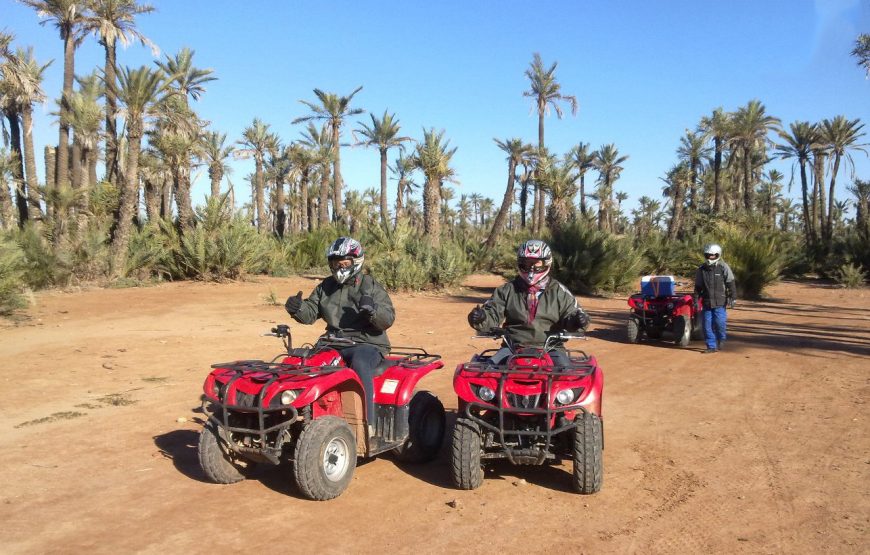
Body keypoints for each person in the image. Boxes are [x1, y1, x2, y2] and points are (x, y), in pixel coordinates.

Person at [284, 237, 395, 422]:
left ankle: (367, 421)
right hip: (332, 342)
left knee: (360, 363)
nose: (340, 267)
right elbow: (311, 312)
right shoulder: (326, 286)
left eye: (344, 263)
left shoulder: (370, 285)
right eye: (336, 263)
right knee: (302, 362)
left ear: (356, 261)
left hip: (366, 343)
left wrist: (373, 311)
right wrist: (297, 308)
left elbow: (388, 318)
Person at [467, 239, 589, 368]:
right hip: (512, 347)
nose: (531, 268)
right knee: (488, 372)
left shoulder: (559, 292)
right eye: (526, 264)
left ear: (546, 263)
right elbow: (493, 312)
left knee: (567, 376)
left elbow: (572, 313)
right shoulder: (507, 290)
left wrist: (577, 321)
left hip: (551, 348)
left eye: (536, 264)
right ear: (520, 264)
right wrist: (482, 317)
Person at [694, 243, 737, 354]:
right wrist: (695, 300)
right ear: (706, 255)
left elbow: (730, 282)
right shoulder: (701, 269)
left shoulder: (723, 266)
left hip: (720, 302)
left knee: (719, 323)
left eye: (713, 255)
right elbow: (698, 287)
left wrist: (733, 297)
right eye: (709, 254)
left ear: (718, 254)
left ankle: (721, 338)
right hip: (707, 302)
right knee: (706, 325)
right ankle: (711, 346)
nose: (711, 256)